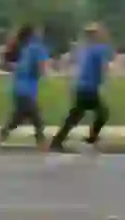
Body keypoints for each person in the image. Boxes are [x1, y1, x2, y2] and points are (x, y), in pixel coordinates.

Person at [0, 25, 49, 155]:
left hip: (18, 90)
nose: (40, 34)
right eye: (38, 32)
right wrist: (45, 74)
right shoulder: (37, 48)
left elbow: (15, 66)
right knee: (37, 121)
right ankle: (45, 151)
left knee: (16, 121)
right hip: (26, 92)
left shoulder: (26, 49)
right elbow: (42, 67)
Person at [48, 23, 113, 153]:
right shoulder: (97, 49)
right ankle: (91, 138)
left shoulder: (84, 49)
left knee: (76, 116)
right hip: (89, 88)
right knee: (102, 114)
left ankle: (58, 141)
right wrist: (103, 81)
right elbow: (102, 68)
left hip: (81, 87)